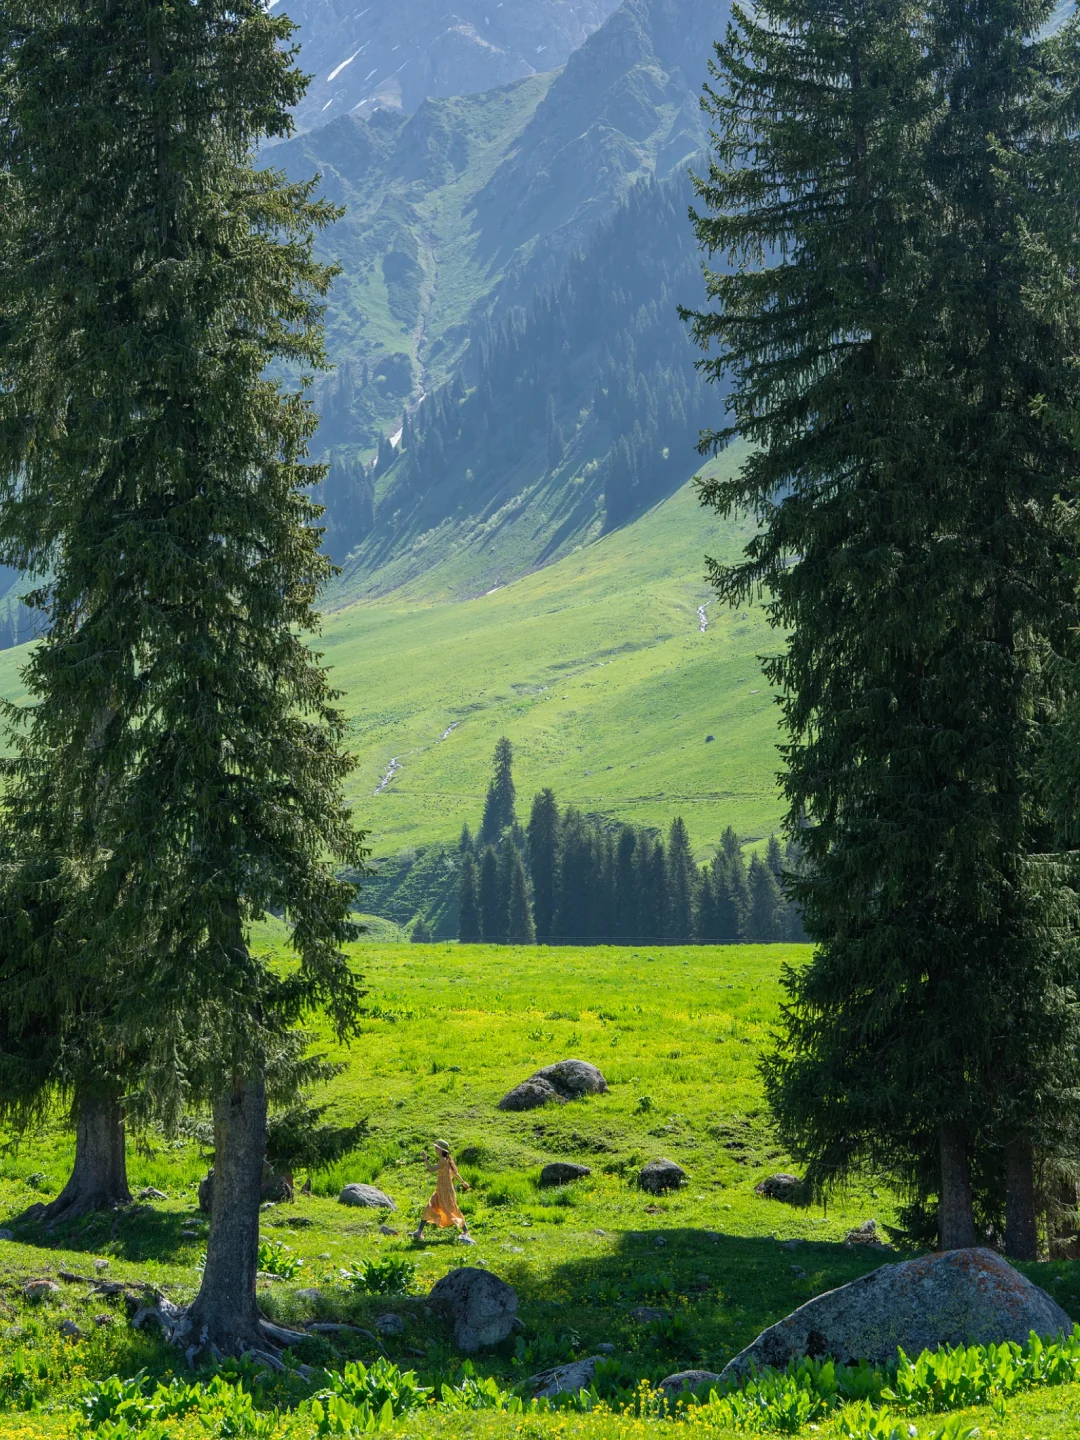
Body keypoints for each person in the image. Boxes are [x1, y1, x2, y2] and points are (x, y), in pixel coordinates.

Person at [413, 1140, 474, 1244]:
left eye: (437, 1148)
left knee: (452, 1210)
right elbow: (455, 1173)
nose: (435, 1149)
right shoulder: (447, 1160)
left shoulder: (443, 1160)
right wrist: (463, 1182)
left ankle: (466, 1231)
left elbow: (431, 1169)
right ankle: (419, 1231)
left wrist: (425, 1158)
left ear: (441, 1150)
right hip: (441, 1189)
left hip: (445, 1190)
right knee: (430, 1206)